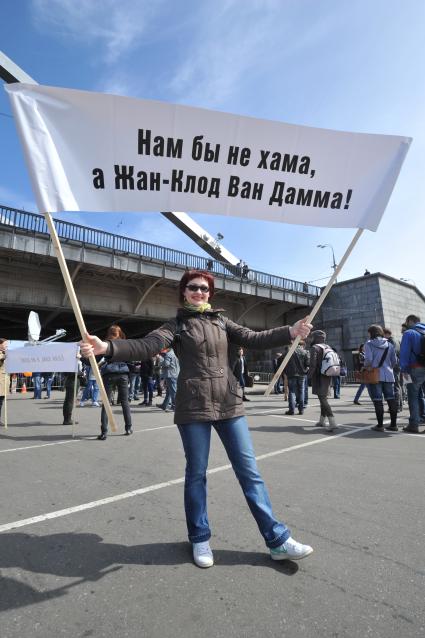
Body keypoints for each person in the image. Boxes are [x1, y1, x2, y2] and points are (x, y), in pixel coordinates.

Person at [80, 269, 314, 567]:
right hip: (193, 406)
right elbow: (148, 345)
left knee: (250, 473)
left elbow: (254, 338)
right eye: (193, 288)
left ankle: (277, 540)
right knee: (196, 475)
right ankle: (200, 538)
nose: (199, 292)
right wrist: (109, 347)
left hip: (230, 403)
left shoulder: (222, 320)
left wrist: (290, 331)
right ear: (184, 292)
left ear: (209, 293)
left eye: (204, 288)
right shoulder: (176, 325)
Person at [98, 325, 133, 440]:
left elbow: (100, 358)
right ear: (119, 332)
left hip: (109, 373)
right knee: (124, 402)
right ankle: (128, 428)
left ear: (109, 332)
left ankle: (104, 432)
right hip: (123, 374)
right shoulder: (124, 343)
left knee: (106, 403)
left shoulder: (106, 343)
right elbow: (129, 359)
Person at [364, 324, 398, 432]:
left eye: (368, 332)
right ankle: (393, 425)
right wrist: (388, 368)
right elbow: (394, 361)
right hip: (388, 375)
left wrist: (366, 366)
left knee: (378, 400)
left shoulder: (369, 344)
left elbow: (368, 359)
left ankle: (380, 426)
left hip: (375, 375)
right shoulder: (389, 344)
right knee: (391, 399)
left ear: (371, 333)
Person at [399, 314, 425, 433]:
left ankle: (414, 424)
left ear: (409, 321)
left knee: (413, 396)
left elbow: (404, 353)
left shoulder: (409, 333)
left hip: (415, 368)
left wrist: (404, 369)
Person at [308, 330, 337, 432]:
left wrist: (309, 376)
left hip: (319, 376)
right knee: (323, 398)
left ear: (315, 338)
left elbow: (313, 364)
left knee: (323, 399)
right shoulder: (328, 347)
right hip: (328, 375)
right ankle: (322, 421)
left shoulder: (314, 348)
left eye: (312, 337)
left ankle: (332, 422)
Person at [284, 342, 309, 415]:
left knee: (292, 392)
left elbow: (283, 362)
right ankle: (301, 410)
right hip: (302, 374)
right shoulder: (304, 352)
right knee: (301, 391)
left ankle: (291, 410)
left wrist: (286, 371)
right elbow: (308, 364)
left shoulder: (288, 351)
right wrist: (305, 371)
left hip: (291, 374)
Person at [158, 347, 179, 412]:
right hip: (175, 373)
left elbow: (166, 364)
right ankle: (164, 405)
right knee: (169, 391)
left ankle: (174, 406)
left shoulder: (168, 354)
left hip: (170, 375)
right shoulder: (175, 353)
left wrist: (161, 363)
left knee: (173, 391)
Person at [0, 338, 9, 425]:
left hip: (3, 382)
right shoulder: (2, 354)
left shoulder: (4, 353)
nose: (6, 346)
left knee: (1, 402)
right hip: (0, 381)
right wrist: (4, 357)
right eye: (5, 344)